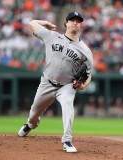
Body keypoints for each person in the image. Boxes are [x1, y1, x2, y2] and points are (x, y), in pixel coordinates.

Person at [18, 11, 93, 153]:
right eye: (72, 20)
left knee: (68, 108)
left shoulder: (86, 51)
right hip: (47, 82)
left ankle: (67, 140)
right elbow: (31, 24)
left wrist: (84, 85)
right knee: (34, 113)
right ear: (66, 23)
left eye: (78, 21)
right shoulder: (51, 36)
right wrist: (44, 23)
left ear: (81, 25)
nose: (75, 23)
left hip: (67, 86)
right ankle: (30, 125)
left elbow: (88, 74)